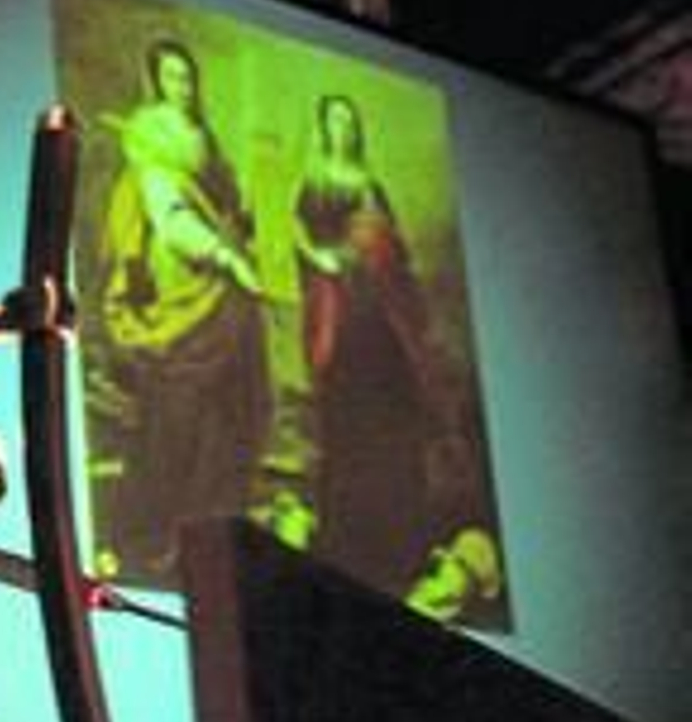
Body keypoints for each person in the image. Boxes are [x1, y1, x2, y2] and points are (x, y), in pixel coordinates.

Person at [90, 37, 272, 588]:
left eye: (188, 78)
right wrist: (227, 258)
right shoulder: (155, 148)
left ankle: (209, 533)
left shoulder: (204, 141)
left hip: (221, 305)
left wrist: (240, 225)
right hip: (181, 296)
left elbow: (225, 207)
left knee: (225, 418)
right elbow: (174, 222)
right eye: (172, 78)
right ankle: (149, 538)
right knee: (176, 423)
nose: (183, 88)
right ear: (156, 82)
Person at [293, 93, 460, 593]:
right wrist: (326, 259)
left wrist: (379, 249)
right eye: (334, 121)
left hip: (382, 314)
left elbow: (398, 250)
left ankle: (401, 537)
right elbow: (300, 236)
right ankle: (349, 541)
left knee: (396, 416)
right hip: (342, 315)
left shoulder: (372, 184)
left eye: (349, 120)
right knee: (348, 425)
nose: (342, 129)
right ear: (324, 128)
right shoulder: (316, 181)